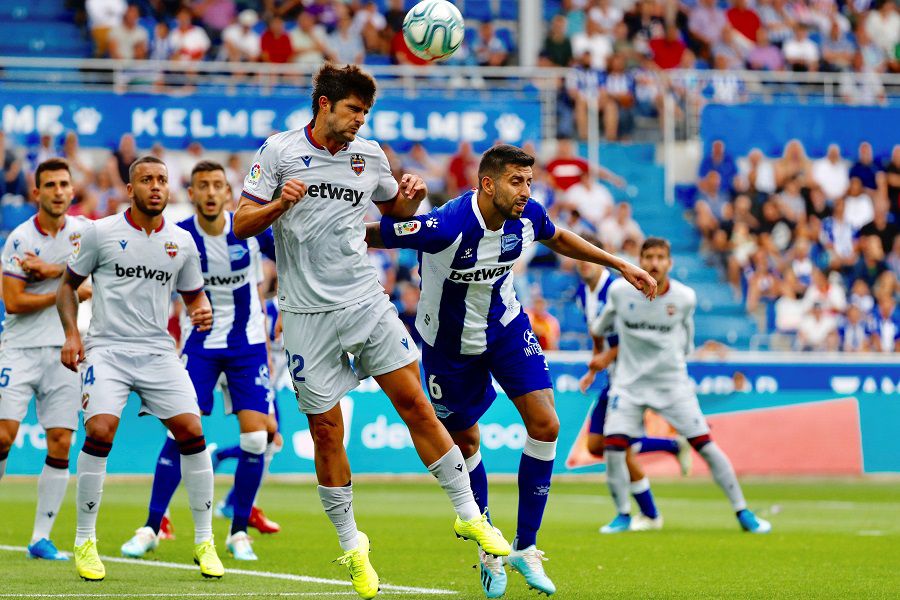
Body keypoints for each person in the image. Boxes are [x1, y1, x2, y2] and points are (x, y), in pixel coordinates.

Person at [232, 64, 508, 599]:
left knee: (415, 404)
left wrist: (409, 195)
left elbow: (395, 215)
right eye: (353, 110)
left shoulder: (371, 156)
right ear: (324, 105)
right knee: (326, 433)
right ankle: (352, 545)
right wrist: (278, 203)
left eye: (365, 112)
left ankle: (469, 514)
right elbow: (241, 224)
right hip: (307, 315)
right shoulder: (278, 152)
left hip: (365, 300)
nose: (360, 120)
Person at [364, 145, 657, 597]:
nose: (525, 191)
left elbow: (556, 236)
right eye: (516, 182)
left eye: (528, 181)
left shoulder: (526, 216)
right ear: (488, 183)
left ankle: (525, 547)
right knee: (466, 442)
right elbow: (378, 235)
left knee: (546, 424)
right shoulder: (445, 224)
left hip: (505, 328)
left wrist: (618, 264)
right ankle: (489, 549)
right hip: (448, 346)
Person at [57, 156, 224, 581]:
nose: (155, 186)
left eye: (162, 180)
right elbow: (66, 288)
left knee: (192, 432)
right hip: (107, 349)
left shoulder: (181, 242)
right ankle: (84, 541)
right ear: (129, 189)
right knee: (99, 432)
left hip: (157, 351)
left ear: (169, 188)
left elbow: (194, 298)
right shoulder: (101, 233)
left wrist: (202, 311)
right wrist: (73, 335)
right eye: (146, 180)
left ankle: (204, 542)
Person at [119, 161, 278, 562]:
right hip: (200, 346)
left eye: (217, 186)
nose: (210, 192)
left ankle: (238, 532)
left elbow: (295, 263)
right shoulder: (178, 237)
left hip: (248, 344)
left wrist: (289, 310)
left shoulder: (252, 231)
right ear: (190, 194)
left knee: (257, 438)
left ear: (229, 193)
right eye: (202, 186)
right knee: (180, 433)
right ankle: (152, 526)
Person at [590, 237, 772, 534]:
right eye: (648, 257)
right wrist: (601, 357)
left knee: (706, 447)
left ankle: (743, 512)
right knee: (612, 447)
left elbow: (686, 341)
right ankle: (623, 514)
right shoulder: (621, 293)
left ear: (670, 263)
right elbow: (599, 327)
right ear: (640, 260)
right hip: (629, 384)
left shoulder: (685, 298)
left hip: (671, 384)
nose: (654, 263)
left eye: (661, 257)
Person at [0, 159, 92, 560]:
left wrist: (53, 274)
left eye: (64, 184)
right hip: (18, 350)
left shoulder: (86, 233)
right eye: (49, 184)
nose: (58, 191)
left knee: (60, 441)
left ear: (72, 191)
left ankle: (40, 538)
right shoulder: (20, 239)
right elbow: (13, 301)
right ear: (36, 193)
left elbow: (96, 281)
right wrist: (66, 291)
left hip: (65, 350)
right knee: (3, 435)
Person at [575, 241, 691, 534]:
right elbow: (597, 331)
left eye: (587, 258)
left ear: (599, 259)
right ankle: (671, 446)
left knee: (620, 449)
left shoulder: (617, 289)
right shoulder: (583, 292)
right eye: (578, 259)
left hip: (630, 379)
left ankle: (645, 514)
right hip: (612, 378)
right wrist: (594, 365)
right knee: (595, 445)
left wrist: (605, 358)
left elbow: (632, 336)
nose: (583, 264)